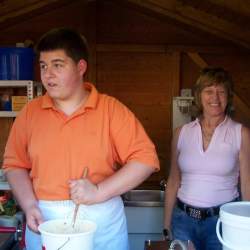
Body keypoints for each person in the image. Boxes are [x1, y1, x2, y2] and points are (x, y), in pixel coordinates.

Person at [2, 27, 160, 250]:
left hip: (102, 220)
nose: (47, 75)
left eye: (57, 65)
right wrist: (29, 206)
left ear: (80, 67)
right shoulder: (30, 113)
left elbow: (145, 159)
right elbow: (14, 164)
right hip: (44, 218)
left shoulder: (110, 109)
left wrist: (99, 192)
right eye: (43, 66)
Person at [164, 67, 250, 250]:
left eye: (221, 92)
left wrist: (246, 225)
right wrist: (166, 225)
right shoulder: (181, 133)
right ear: (199, 95)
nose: (215, 98)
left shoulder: (241, 133)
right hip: (183, 221)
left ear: (228, 97)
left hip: (221, 223)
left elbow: (247, 184)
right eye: (209, 91)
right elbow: (173, 181)